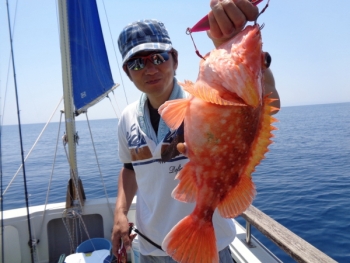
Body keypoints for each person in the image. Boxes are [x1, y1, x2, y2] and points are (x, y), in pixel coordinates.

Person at [112, 1, 280, 262]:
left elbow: (265, 104)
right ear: (127, 72)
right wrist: (121, 213)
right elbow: (130, 169)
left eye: (158, 57)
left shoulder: (205, 98)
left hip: (210, 246)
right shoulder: (126, 118)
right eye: (136, 63)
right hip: (149, 247)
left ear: (175, 59)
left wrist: (258, 65)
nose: (150, 68)